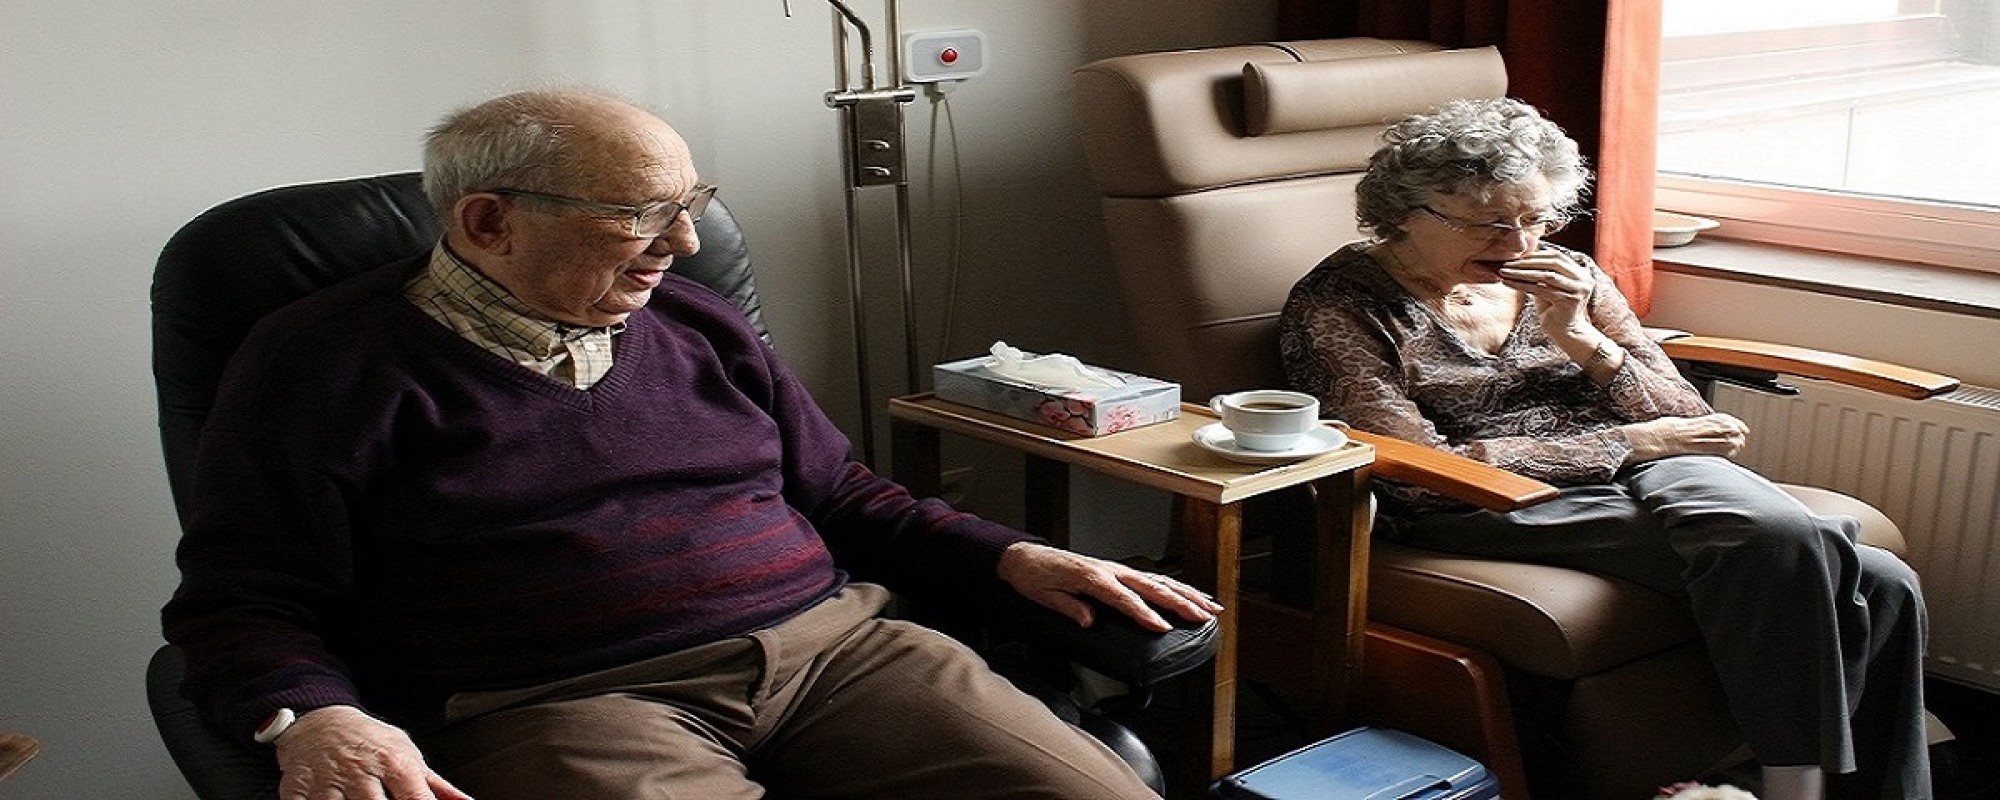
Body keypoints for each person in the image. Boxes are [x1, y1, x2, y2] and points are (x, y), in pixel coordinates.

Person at [162, 87, 1220, 800]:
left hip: (838, 653)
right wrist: (310, 716)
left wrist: (1004, 553)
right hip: (565, 702)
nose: (681, 242)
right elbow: (241, 597)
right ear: (488, 221)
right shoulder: (322, 364)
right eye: (641, 214)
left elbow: (842, 492)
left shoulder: (690, 322)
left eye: (689, 206)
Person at [1277, 97, 1930, 800]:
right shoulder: (1340, 305)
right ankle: (1791, 786)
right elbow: (1414, 472)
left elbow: (1689, 418)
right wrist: (1629, 441)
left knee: (1845, 565)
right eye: (1491, 222)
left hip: (1652, 465)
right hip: (1493, 498)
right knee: (1864, 576)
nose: (1521, 243)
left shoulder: (1567, 275)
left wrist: (1585, 343)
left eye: (1537, 218)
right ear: (1404, 212)